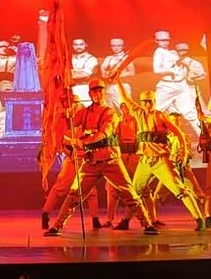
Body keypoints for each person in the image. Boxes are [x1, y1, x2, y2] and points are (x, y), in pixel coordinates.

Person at [44, 79, 158, 236]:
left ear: (104, 92)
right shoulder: (83, 113)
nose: (97, 94)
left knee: (128, 193)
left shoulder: (110, 113)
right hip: (90, 162)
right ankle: (57, 226)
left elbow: (104, 133)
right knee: (74, 194)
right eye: (94, 91)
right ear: (90, 94)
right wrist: (62, 114)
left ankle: (147, 224)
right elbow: (65, 129)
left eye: (100, 91)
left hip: (110, 160)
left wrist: (84, 142)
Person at [112, 78, 208, 231]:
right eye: (145, 102)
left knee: (180, 190)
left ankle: (199, 219)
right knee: (134, 193)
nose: (147, 104)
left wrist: (183, 153)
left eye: (150, 101)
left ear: (154, 102)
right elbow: (125, 97)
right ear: (141, 102)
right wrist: (117, 80)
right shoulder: (138, 112)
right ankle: (125, 221)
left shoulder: (160, 116)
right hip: (145, 161)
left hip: (161, 160)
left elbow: (179, 133)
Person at [40, 95, 101, 231]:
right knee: (60, 188)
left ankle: (95, 219)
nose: (75, 106)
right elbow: (59, 138)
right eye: (72, 103)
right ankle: (45, 213)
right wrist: (70, 143)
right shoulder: (63, 121)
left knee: (91, 191)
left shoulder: (84, 118)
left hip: (84, 158)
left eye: (76, 104)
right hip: (72, 159)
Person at [102, 101, 139, 228]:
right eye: (123, 107)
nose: (126, 109)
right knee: (112, 188)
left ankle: (147, 218)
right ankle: (109, 219)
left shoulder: (137, 120)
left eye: (128, 107)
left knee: (136, 187)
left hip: (134, 155)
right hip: (121, 155)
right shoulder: (117, 120)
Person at [100, 38, 135, 111]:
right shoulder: (108, 58)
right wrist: (106, 75)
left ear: (123, 46)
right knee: (109, 111)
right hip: (109, 87)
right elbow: (103, 71)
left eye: (119, 46)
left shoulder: (126, 58)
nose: (116, 48)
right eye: (113, 46)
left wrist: (117, 76)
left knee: (125, 110)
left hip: (122, 86)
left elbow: (132, 72)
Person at [70, 39, 98, 106]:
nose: (78, 47)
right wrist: (78, 72)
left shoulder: (92, 59)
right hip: (71, 90)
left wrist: (71, 73)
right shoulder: (69, 58)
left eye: (81, 44)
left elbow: (85, 75)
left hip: (85, 90)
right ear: (72, 46)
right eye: (75, 44)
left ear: (86, 45)